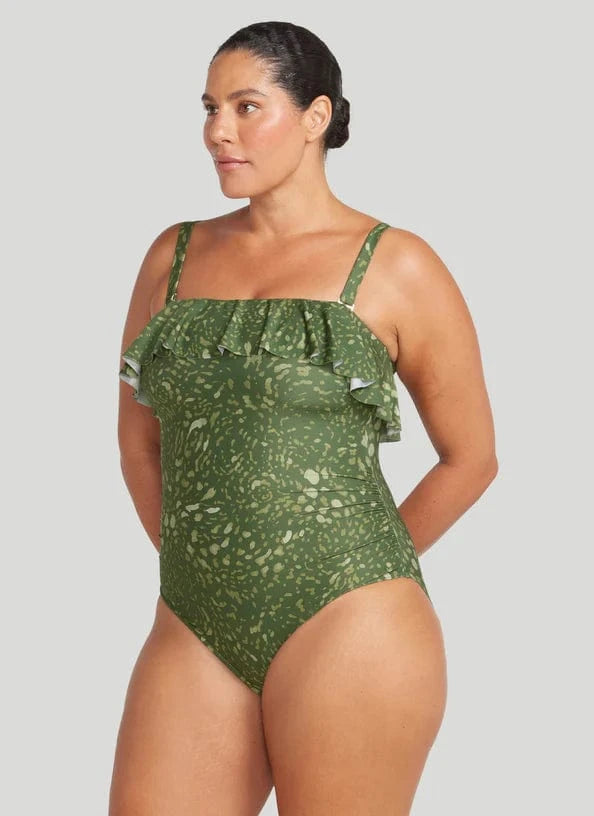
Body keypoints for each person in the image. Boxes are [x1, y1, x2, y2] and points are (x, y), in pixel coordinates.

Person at [111, 20, 497, 816]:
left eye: (246, 107)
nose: (218, 131)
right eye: (210, 108)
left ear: (317, 116)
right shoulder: (170, 257)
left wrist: (343, 565)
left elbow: (471, 458)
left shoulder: (398, 264)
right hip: (194, 615)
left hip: (351, 617)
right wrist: (214, 561)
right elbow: (138, 444)